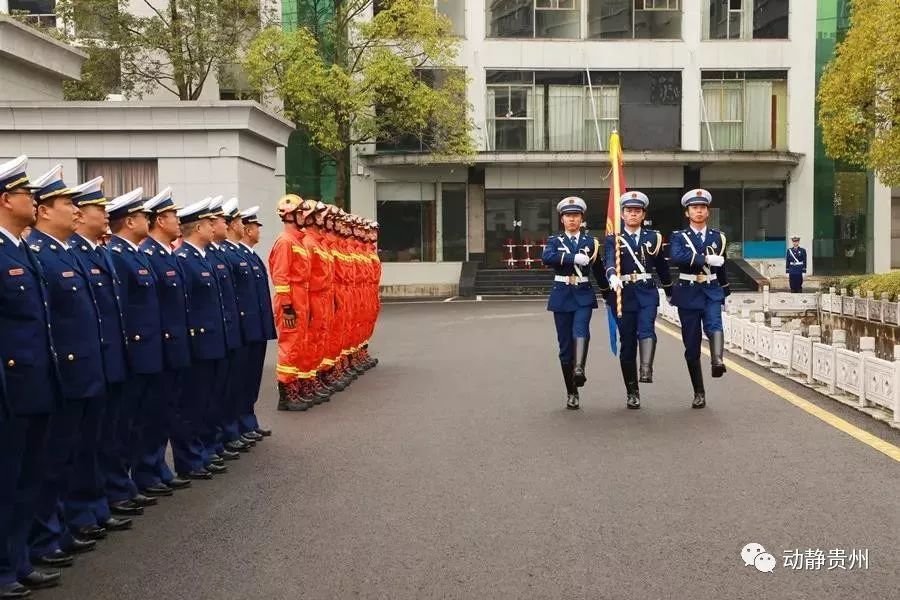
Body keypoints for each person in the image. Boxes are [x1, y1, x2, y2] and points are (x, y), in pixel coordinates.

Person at [26, 165, 105, 576]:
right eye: (67, 204)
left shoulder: (62, 251)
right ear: (42, 211)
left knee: (72, 452)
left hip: (80, 368)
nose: (75, 211)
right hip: (54, 372)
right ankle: (46, 533)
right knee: (50, 459)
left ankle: (65, 523)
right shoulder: (37, 252)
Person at [0, 156, 63, 597]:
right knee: (6, 480)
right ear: (7, 200)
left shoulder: (21, 249)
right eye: (28, 195)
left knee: (28, 478)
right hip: (10, 389)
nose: (35, 202)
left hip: (37, 382)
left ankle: (19, 559)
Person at [66, 176, 134, 541]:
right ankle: (82, 512)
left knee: (102, 436)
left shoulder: (95, 251)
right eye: (98, 208)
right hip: (79, 363)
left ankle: (98, 503)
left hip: (105, 357)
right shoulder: (69, 250)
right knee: (79, 444)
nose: (106, 213)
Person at [139, 187, 195, 491]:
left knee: (166, 408)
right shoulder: (148, 254)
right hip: (157, 344)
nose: (178, 220)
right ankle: (148, 470)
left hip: (172, 343)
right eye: (174, 215)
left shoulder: (164, 254)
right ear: (161, 220)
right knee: (153, 413)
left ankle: (157, 467)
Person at [175, 199, 230, 479]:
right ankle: (190, 457)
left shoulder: (203, 257)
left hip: (214, 340)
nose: (215, 227)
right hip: (199, 341)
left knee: (208, 400)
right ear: (197, 227)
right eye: (210, 223)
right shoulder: (184, 259)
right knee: (193, 403)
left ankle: (206, 449)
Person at [605, 191, 672, 409]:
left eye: (637, 211)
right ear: (622, 215)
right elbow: (608, 261)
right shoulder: (612, 239)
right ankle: (632, 391)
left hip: (646, 291)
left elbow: (662, 266)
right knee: (627, 345)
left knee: (647, 328)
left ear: (643, 215)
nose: (633, 214)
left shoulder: (654, 237)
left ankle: (646, 368)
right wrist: (612, 275)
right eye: (629, 211)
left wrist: (670, 290)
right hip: (623, 293)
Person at [541, 196, 607, 410]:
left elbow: (598, 271)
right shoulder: (554, 241)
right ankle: (572, 391)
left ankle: (579, 369)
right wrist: (572, 258)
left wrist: (608, 293)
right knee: (565, 347)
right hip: (561, 295)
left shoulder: (591, 242)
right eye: (568, 216)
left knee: (581, 329)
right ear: (562, 219)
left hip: (583, 293)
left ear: (581, 219)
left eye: (575, 216)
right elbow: (547, 257)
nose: (572, 219)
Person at [668, 189, 731, 409]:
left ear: (708, 212)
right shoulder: (678, 236)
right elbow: (677, 257)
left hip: (711, 289)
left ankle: (717, 360)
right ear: (687, 212)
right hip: (688, 292)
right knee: (692, 345)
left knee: (715, 323)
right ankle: (699, 391)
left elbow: (722, 266)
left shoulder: (719, 237)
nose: (699, 211)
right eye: (694, 208)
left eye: (702, 207)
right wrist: (705, 258)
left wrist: (725, 290)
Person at [269, 195, 315, 411]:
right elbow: (280, 277)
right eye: (300, 213)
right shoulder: (285, 241)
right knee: (289, 346)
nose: (304, 217)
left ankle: (295, 388)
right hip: (291, 300)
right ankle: (286, 396)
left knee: (300, 345)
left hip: (300, 297)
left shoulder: (297, 240)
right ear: (289, 216)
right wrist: (287, 307)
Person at [237, 206, 275, 435]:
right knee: (240, 381)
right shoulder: (236, 256)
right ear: (247, 230)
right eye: (255, 227)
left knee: (251, 379)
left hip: (256, 326)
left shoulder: (250, 256)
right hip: (244, 328)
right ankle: (239, 425)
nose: (259, 231)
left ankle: (248, 421)